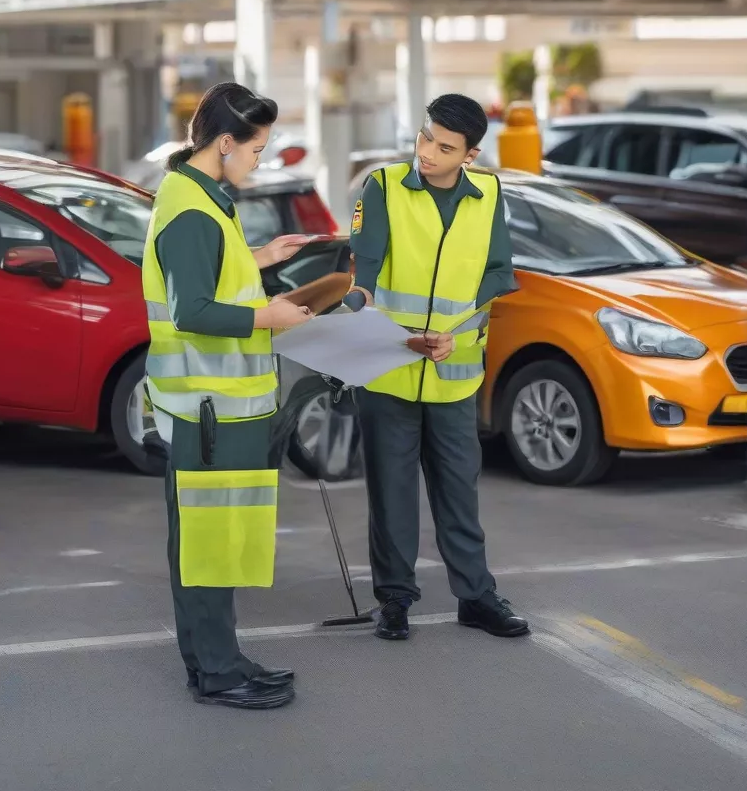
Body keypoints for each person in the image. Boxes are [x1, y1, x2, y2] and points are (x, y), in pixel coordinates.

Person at [142, 82, 314, 709]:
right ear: (223, 143)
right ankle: (217, 673)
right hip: (208, 408)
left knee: (211, 540)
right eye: (257, 151)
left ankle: (217, 659)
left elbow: (212, 276)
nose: (258, 161)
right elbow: (194, 312)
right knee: (210, 543)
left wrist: (260, 257)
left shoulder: (201, 197)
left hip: (211, 406)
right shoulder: (192, 211)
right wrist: (271, 317)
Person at [348, 93, 530, 641]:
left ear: (469, 156)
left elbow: (498, 275)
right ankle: (395, 600)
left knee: (459, 492)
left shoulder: (490, 195)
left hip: (454, 374)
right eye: (426, 137)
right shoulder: (381, 188)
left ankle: (475, 597)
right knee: (392, 493)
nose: (427, 151)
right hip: (388, 370)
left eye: (444, 146)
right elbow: (367, 270)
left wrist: (456, 333)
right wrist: (364, 309)